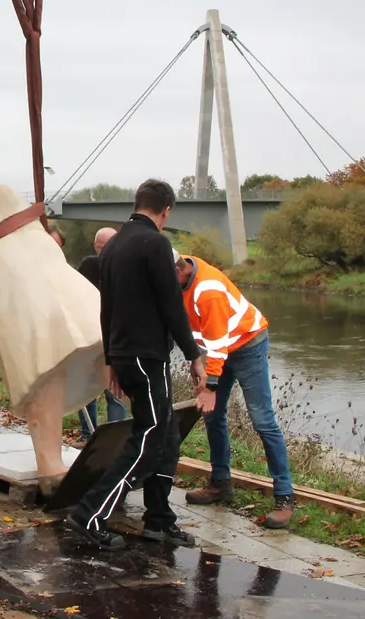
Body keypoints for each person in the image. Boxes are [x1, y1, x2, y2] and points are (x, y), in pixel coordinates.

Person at [65, 179, 207, 550]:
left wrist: (112, 360)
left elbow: (105, 307)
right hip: (146, 356)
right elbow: (171, 305)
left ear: (137, 202)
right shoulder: (155, 243)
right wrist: (194, 355)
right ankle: (89, 514)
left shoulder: (112, 247)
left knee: (167, 435)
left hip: (127, 355)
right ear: (166, 211)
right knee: (148, 435)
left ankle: (158, 519)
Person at [175, 252, 297, 529]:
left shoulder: (208, 292)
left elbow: (218, 345)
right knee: (212, 415)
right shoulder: (179, 272)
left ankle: (285, 496)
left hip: (247, 344)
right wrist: (195, 362)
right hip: (221, 346)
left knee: (262, 420)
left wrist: (211, 385)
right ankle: (220, 483)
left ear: (179, 271)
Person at [0, 224, 69, 437]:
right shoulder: (11, 261)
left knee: (39, 386)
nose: (53, 252)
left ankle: (43, 438)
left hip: (24, 334)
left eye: (58, 248)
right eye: (50, 245)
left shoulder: (57, 273)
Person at [75, 226, 127, 440]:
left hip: (114, 340)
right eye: (102, 247)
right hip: (87, 337)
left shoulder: (126, 268)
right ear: (96, 247)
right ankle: (88, 434)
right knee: (85, 390)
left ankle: (112, 439)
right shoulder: (88, 266)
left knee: (113, 392)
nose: (105, 251)